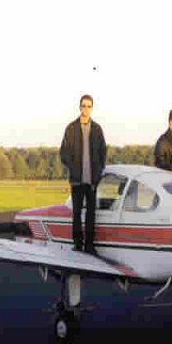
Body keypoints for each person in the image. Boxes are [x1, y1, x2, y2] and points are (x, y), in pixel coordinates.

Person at [60, 94, 107, 254]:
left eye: (89, 106)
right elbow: (63, 153)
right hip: (77, 179)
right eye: (84, 105)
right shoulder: (71, 128)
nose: (86, 108)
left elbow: (103, 152)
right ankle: (78, 244)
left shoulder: (97, 129)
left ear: (92, 108)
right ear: (80, 107)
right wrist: (73, 167)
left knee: (91, 214)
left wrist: (99, 171)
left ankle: (89, 245)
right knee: (77, 213)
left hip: (92, 180)